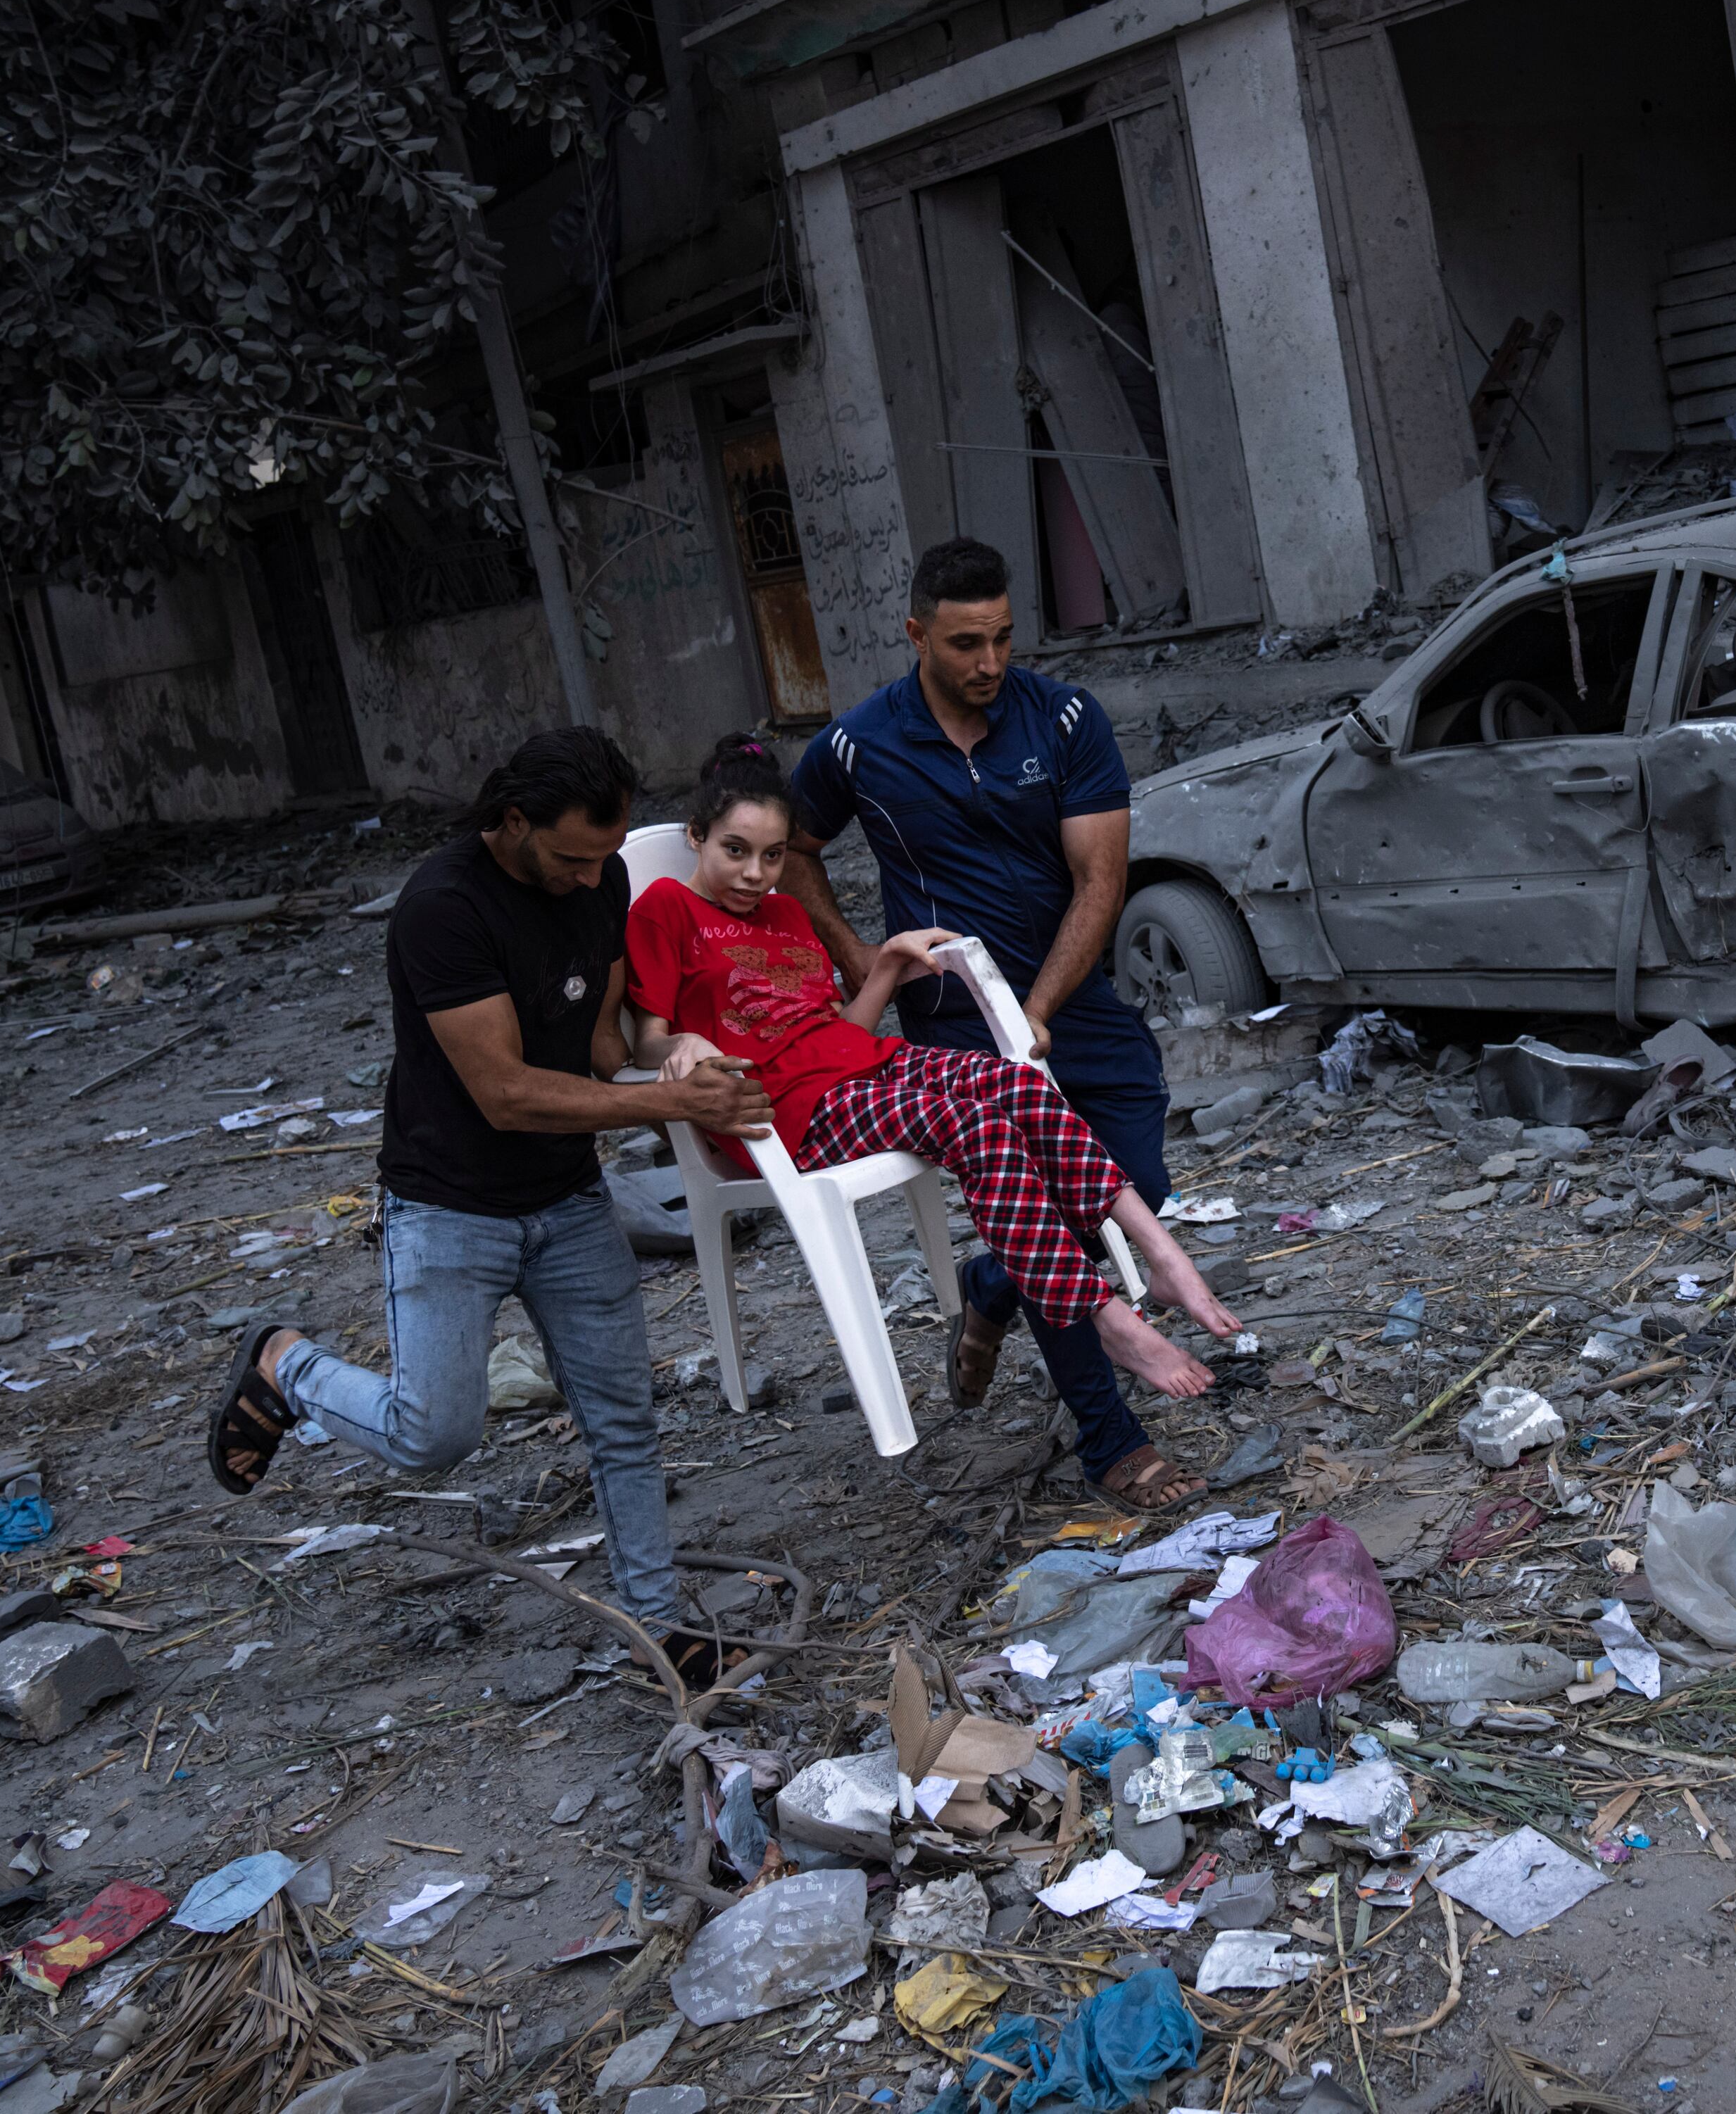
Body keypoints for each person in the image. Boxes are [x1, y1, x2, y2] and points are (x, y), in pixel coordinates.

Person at [202, 729, 770, 1685]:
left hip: (567, 1194)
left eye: (607, 856)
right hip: (450, 1203)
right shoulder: (442, 908)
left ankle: (654, 1630)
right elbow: (506, 1091)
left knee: (625, 1421)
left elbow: (596, 1046)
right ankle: (286, 1364)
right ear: (512, 823)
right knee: (434, 1435)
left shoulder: (598, 884)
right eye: (572, 857)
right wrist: (668, 1101)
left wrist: (683, 1049)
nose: (593, 878)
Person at [624, 738, 1239, 1513]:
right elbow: (645, 1035)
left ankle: (1160, 1253)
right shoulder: (665, 908)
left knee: (1012, 1082)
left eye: (773, 855)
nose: (755, 874)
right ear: (695, 837)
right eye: (735, 851)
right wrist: (679, 1041)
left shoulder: (784, 913)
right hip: (786, 1111)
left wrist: (883, 965)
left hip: (859, 1063)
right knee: (974, 1128)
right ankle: (1104, 1314)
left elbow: (832, 1025)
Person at [774, 539, 1213, 1507]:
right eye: (967, 642)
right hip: (951, 1025)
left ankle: (994, 1283)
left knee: (1133, 1184)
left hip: (1071, 1004)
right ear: (917, 633)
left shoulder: (1063, 718)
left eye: (1004, 637)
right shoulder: (856, 745)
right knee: (1055, 1211)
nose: (990, 661)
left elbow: (1101, 879)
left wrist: (1043, 1009)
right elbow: (794, 846)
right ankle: (1113, 1442)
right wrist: (863, 961)